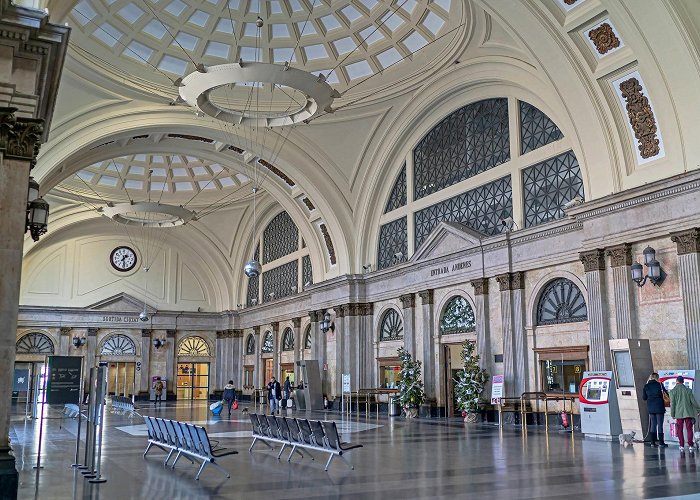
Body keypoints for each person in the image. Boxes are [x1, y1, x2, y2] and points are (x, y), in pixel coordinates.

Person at [669, 375, 700, 451]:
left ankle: (681, 445)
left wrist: (672, 414)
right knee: (689, 429)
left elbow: (672, 404)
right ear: (683, 382)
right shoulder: (688, 390)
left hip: (678, 414)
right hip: (688, 413)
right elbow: (693, 402)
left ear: (676, 381)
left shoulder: (673, 391)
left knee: (679, 429)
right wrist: (698, 410)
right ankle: (690, 445)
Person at [642, 372, 668, 447]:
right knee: (660, 425)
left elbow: (644, 397)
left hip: (651, 407)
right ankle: (661, 442)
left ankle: (652, 442)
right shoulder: (659, 385)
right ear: (657, 378)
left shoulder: (646, 386)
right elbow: (666, 394)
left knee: (653, 424)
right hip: (659, 406)